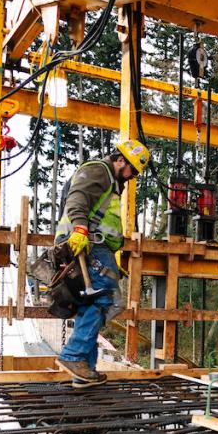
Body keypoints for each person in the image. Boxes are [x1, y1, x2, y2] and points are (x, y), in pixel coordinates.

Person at [54, 139, 150, 388]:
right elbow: (78, 197)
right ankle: (73, 355)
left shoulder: (111, 180)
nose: (132, 177)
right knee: (108, 300)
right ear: (120, 160)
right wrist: (80, 229)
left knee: (92, 304)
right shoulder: (99, 170)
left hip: (96, 246)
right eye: (132, 170)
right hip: (89, 243)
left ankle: (85, 370)